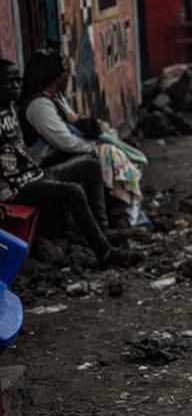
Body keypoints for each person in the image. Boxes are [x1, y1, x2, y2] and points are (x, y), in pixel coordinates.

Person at [0, 59, 139, 266]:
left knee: (91, 166)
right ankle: (105, 253)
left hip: (33, 174)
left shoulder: (10, 107)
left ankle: (102, 230)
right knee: (72, 191)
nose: (15, 86)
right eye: (8, 82)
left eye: (18, 81)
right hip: (15, 188)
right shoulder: (30, 106)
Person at [19, 48, 145, 227]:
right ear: (58, 76)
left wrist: (87, 125)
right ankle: (112, 217)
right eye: (66, 73)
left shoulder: (55, 99)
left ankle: (117, 213)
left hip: (58, 156)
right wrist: (93, 146)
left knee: (109, 151)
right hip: (44, 163)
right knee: (106, 155)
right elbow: (65, 142)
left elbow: (73, 119)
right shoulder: (39, 105)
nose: (69, 77)